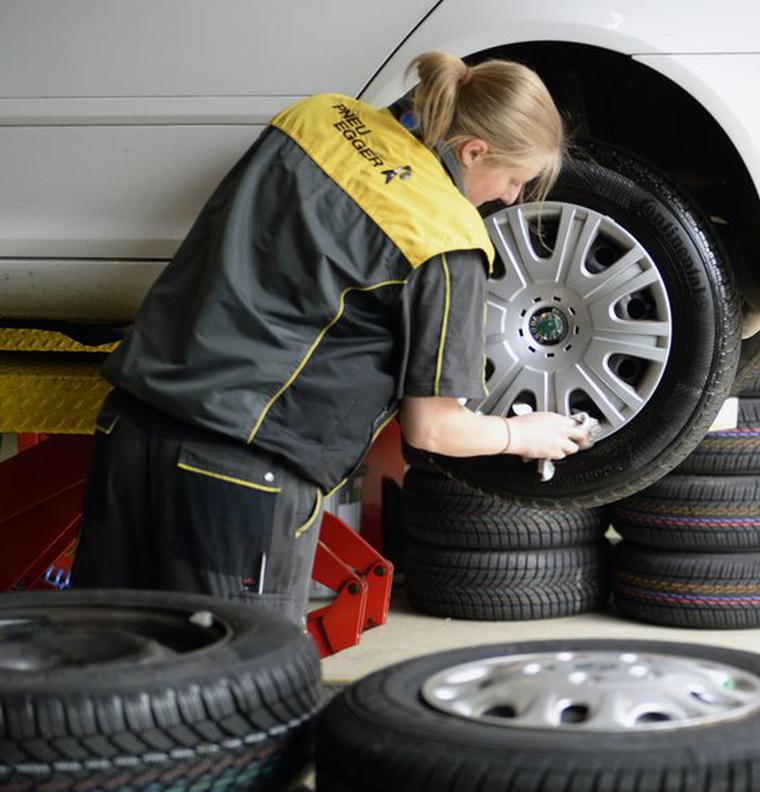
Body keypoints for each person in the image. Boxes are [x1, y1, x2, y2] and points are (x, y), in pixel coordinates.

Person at [71, 52, 589, 624]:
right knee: (236, 695)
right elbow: (434, 428)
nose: (511, 198)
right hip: (240, 474)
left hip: (130, 427)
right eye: (514, 180)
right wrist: (521, 434)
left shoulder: (318, 119)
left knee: (105, 672)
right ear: (473, 151)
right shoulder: (443, 239)